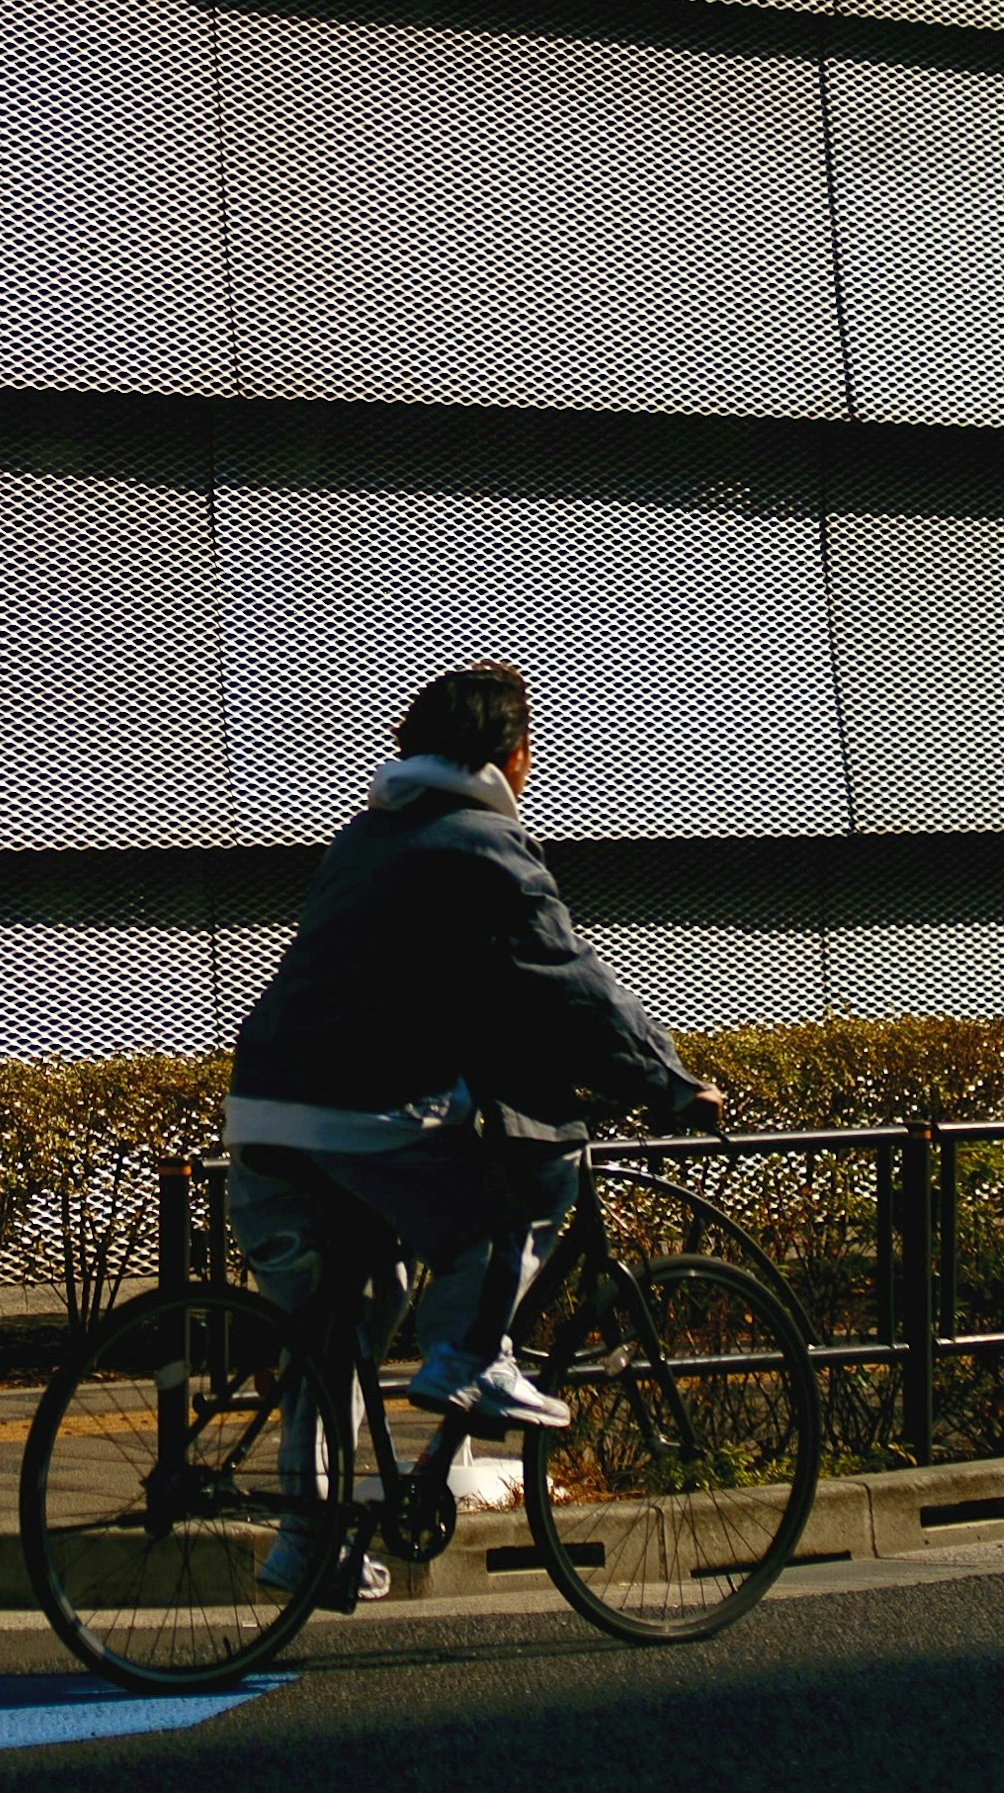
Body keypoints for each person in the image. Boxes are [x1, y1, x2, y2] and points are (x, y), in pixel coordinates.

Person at [224, 662, 720, 1587]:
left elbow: (433, 983)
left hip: (263, 1114)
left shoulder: (364, 838)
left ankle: (309, 1543)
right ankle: (471, 1354)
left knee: (342, 1329)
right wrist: (668, 1082)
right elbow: (571, 984)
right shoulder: (488, 848)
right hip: (357, 1114)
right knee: (532, 1173)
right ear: (512, 756)